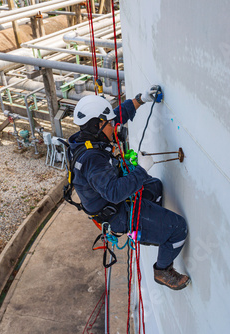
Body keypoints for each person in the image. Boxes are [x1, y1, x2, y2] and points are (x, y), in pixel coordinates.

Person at [66, 86, 190, 290]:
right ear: (97, 125)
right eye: (109, 124)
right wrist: (140, 170)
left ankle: (149, 228)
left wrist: (140, 99)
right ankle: (162, 270)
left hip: (115, 200)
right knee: (178, 228)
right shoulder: (92, 160)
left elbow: (115, 116)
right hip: (116, 212)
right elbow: (114, 193)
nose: (114, 126)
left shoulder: (88, 137)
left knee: (155, 186)